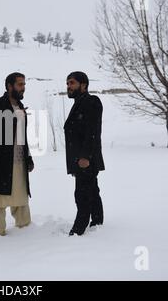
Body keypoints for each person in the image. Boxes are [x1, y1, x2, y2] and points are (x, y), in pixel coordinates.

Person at [0, 72, 34, 236]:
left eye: (24, 84)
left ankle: (26, 230)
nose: (23, 88)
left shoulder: (21, 106)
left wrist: (28, 156)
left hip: (18, 159)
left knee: (21, 195)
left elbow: (22, 134)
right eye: (20, 84)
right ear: (9, 86)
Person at [64, 71, 105, 236]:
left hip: (85, 159)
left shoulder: (91, 101)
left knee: (82, 193)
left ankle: (78, 229)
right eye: (67, 83)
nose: (68, 86)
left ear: (84, 85)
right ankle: (97, 221)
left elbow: (92, 131)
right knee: (92, 190)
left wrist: (85, 156)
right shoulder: (79, 102)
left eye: (72, 83)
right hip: (81, 158)